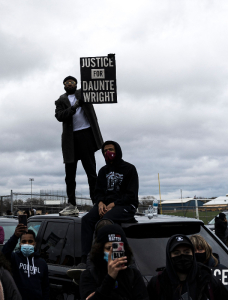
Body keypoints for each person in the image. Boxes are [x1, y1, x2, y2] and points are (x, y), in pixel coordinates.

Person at [78, 141, 138, 271]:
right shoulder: (103, 171)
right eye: (105, 151)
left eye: (110, 149)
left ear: (117, 151)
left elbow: (131, 195)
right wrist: (99, 203)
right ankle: (85, 259)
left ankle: (119, 259)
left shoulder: (129, 169)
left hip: (126, 205)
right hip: (105, 204)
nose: (107, 153)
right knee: (87, 220)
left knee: (106, 222)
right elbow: (98, 192)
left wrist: (114, 204)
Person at [55, 76, 103, 216]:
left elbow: (98, 88)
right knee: (70, 174)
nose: (70, 84)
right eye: (67, 83)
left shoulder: (85, 94)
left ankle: (96, 202)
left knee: (91, 172)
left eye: (72, 82)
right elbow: (59, 116)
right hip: (70, 139)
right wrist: (74, 107)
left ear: (76, 84)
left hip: (86, 135)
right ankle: (72, 204)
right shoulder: (60, 101)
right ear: (64, 85)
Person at [147, 234, 228, 299]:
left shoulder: (208, 280)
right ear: (169, 256)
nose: (182, 256)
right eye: (177, 253)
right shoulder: (158, 283)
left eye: (186, 252)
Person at [79, 224, 148, 300]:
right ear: (100, 250)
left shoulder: (133, 275)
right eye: (109, 248)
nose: (113, 252)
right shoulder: (89, 275)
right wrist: (110, 278)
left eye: (117, 248)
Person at [2, 224, 49, 300]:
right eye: (24, 241)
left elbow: (45, 287)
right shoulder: (14, 258)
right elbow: (4, 253)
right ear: (20, 244)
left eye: (30, 241)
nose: (27, 244)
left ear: (35, 244)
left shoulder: (42, 263)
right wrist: (15, 236)